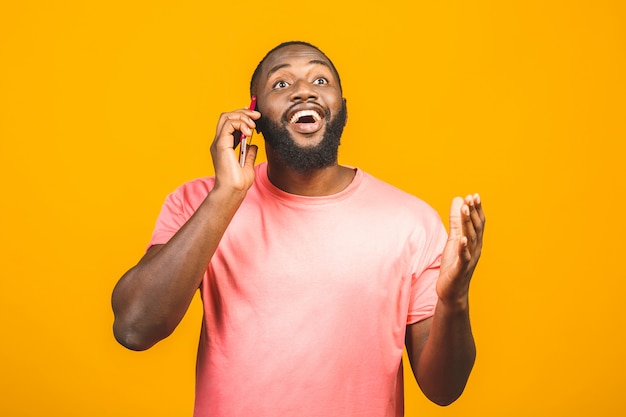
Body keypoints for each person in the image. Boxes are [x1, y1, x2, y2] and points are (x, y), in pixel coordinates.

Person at [112, 41, 486, 417]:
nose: (304, 90)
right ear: (252, 113)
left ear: (342, 107)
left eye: (320, 79)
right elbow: (134, 329)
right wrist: (226, 195)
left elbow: (444, 389)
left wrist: (454, 300)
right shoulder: (199, 202)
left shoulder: (412, 222)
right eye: (281, 84)